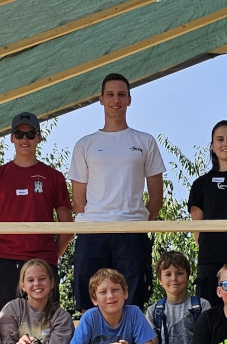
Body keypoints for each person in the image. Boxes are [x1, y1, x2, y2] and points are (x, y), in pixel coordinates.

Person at [69, 74, 166, 310]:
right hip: (92, 231)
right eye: (110, 94)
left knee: (132, 301)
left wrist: (136, 221)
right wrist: (99, 219)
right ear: (101, 99)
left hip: (131, 232)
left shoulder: (145, 141)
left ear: (129, 100)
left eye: (121, 94)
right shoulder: (85, 143)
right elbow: (78, 200)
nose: (116, 100)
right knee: (88, 300)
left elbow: (156, 197)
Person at [0, 111, 73, 312]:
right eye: (19, 134)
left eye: (30, 134)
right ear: (12, 138)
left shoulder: (54, 177)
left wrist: (52, 253)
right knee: (2, 320)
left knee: (47, 321)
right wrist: (3, 249)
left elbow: (67, 225)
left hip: (43, 257)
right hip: (4, 260)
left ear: (39, 137)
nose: (25, 139)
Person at [186, 120, 227, 296]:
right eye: (220, 139)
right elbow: (197, 230)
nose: (226, 144)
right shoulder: (201, 184)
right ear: (212, 146)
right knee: (209, 317)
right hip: (211, 261)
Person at [147, 249, 212, 344]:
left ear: (188, 276)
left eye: (179, 273)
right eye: (168, 274)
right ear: (159, 279)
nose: (174, 278)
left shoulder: (201, 306)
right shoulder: (154, 311)